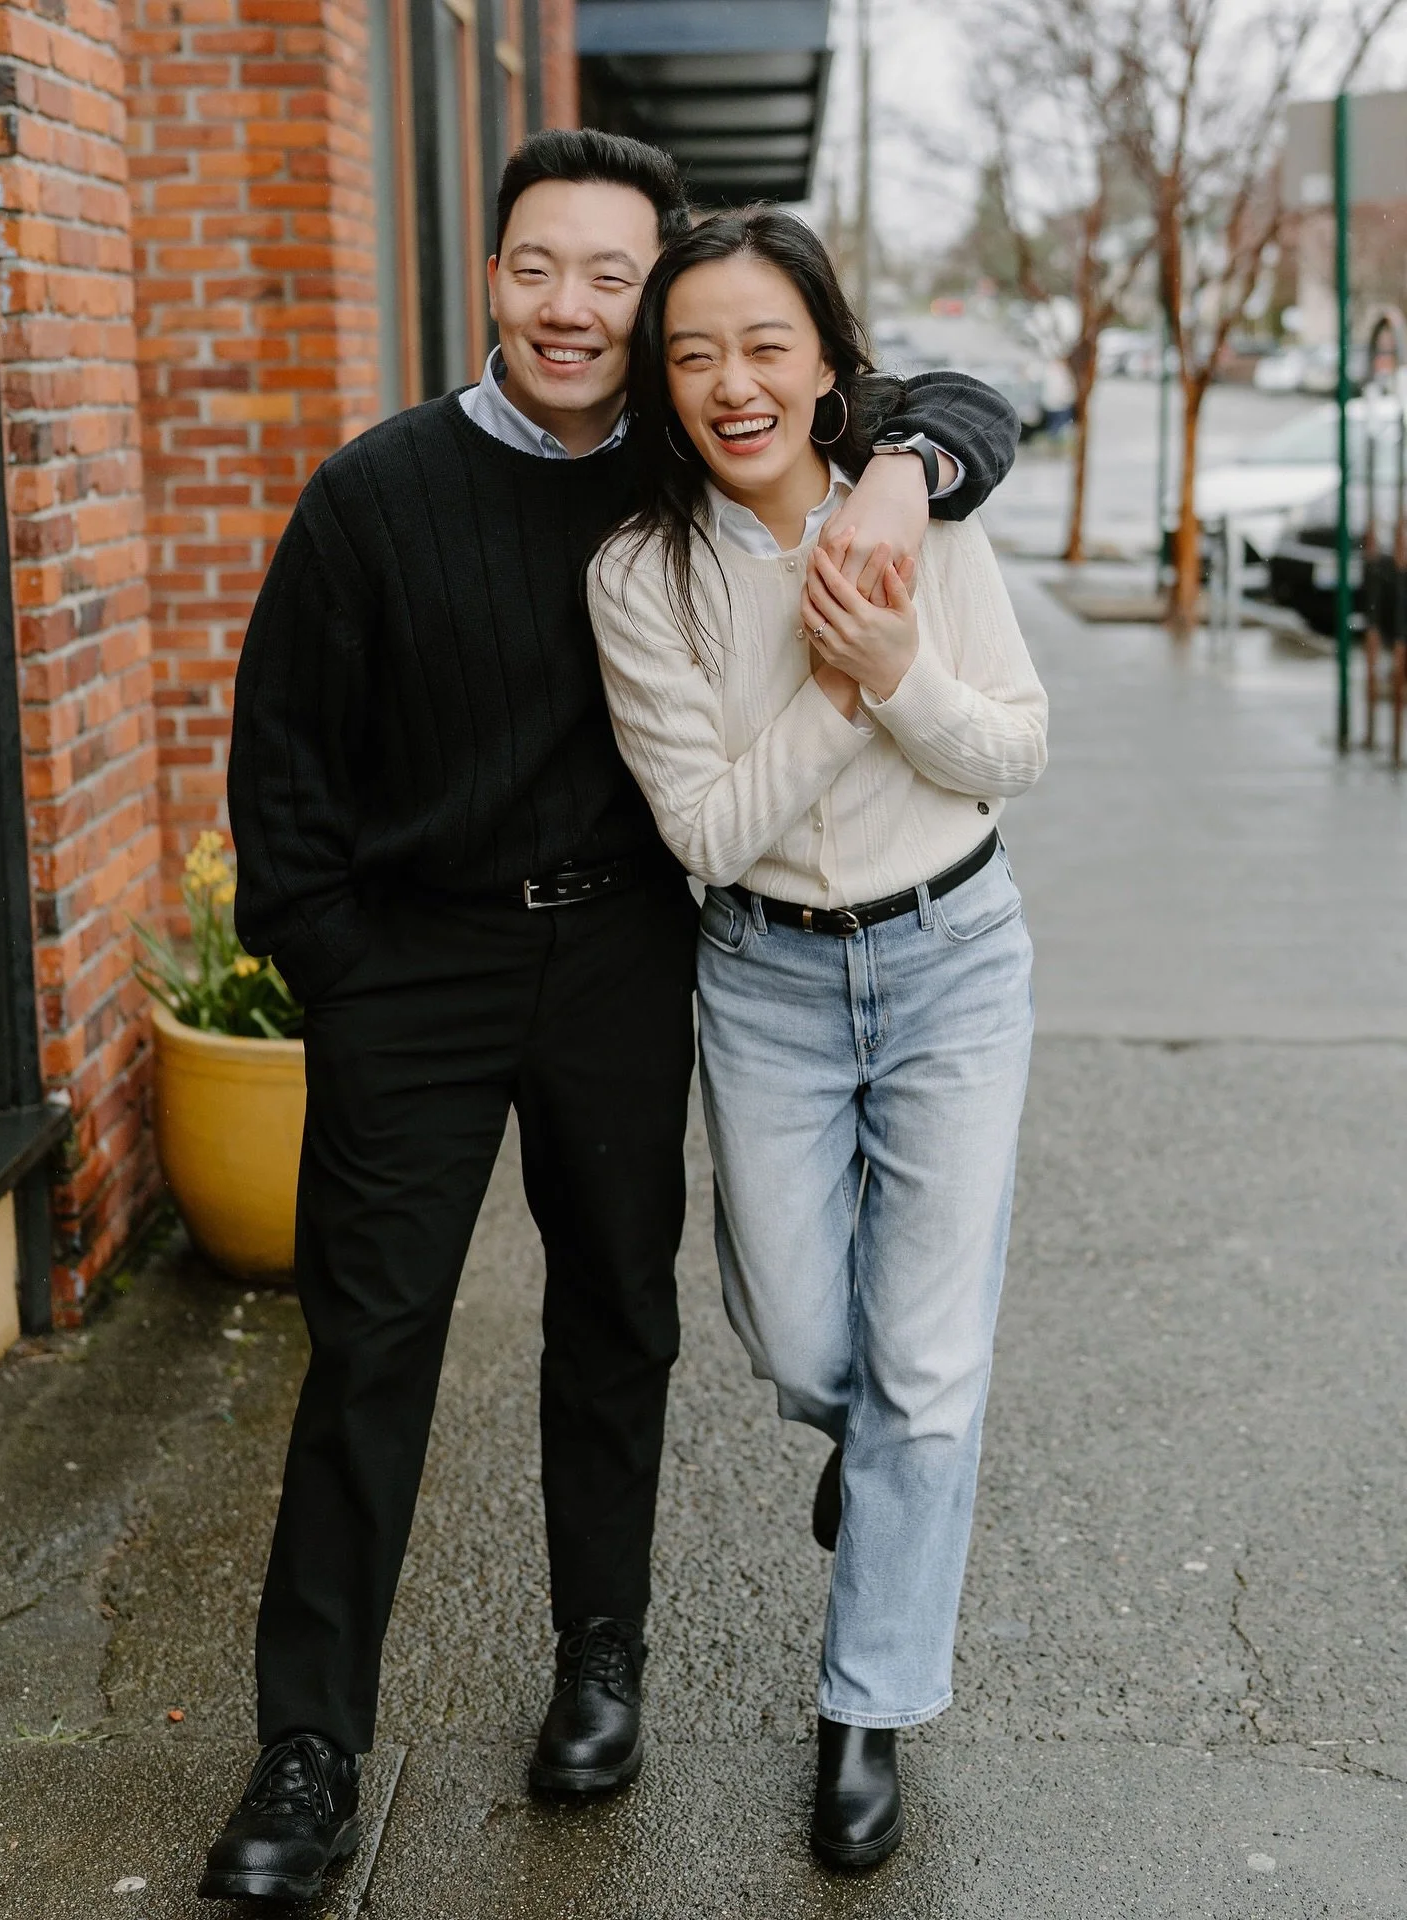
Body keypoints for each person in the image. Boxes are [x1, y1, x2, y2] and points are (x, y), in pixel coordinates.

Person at [200, 127, 1022, 1904]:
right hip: (415, 972)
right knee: (371, 1351)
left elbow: (938, 393)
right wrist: (336, 966)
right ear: (487, 276)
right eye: (534, 267)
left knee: (619, 1326)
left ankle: (601, 1662)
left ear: (654, 308)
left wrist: (912, 471)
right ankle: (310, 1746)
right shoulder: (377, 491)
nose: (570, 308)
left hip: (632, 957)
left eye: (613, 279)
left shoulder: (697, 460)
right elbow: (279, 765)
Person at [588, 208, 1046, 1872]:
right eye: (694, 352)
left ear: (833, 362)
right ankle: (872, 1460)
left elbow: (1013, 748)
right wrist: (846, 687)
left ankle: (867, 1708)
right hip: (765, 978)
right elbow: (707, 830)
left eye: (765, 344)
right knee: (798, 1338)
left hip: (953, 958)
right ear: (665, 381)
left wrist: (905, 669)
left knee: (930, 1369)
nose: (732, 380)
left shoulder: (920, 512)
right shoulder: (639, 574)